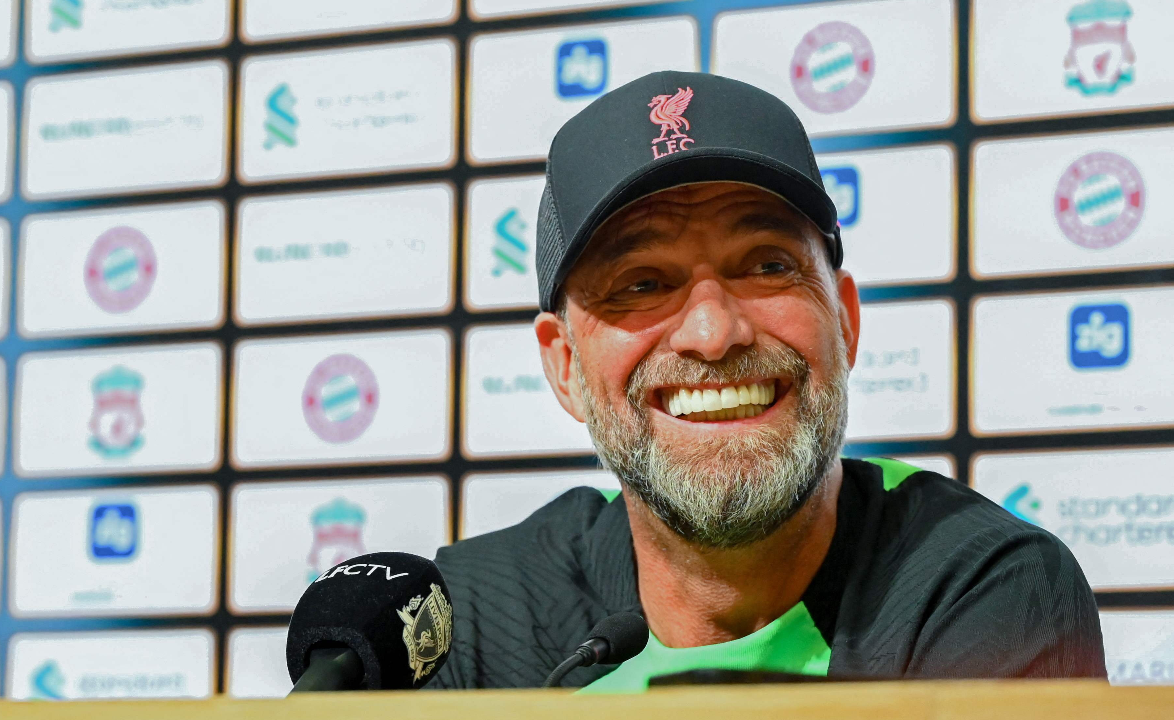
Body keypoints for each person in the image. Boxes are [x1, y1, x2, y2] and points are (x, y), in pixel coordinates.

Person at [429, 71, 1104, 691]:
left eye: (767, 266)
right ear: (565, 365)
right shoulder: (476, 616)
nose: (713, 333)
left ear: (845, 321)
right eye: (642, 284)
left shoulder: (979, 588)